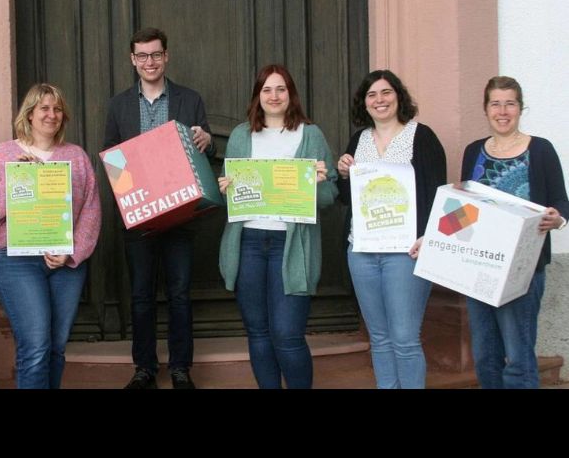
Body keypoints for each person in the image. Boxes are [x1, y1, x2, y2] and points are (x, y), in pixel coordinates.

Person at [103, 27, 215, 390]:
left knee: (180, 294)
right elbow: (111, 157)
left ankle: (181, 368)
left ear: (166, 56)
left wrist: (207, 140)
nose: (149, 62)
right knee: (140, 295)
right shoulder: (118, 105)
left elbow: (204, 146)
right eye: (141, 56)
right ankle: (144, 368)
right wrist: (127, 192)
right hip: (139, 217)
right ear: (132, 60)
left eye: (155, 54)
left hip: (180, 212)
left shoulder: (189, 98)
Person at [0, 83, 101, 389]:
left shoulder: (76, 156)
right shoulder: (5, 153)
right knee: (36, 346)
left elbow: (91, 211)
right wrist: (17, 180)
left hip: (64, 262)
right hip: (17, 261)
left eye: (57, 109)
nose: (51, 115)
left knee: (55, 347)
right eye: (44, 108)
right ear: (29, 114)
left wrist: (71, 253)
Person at [218, 64, 338, 389]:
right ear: (258, 95)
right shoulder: (242, 135)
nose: (274, 96)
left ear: (291, 94)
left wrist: (320, 184)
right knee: (257, 332)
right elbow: (233, 200)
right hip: (249, 243)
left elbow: (329, 197)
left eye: (280, 89)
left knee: (287, 334)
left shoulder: (310, 135)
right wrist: (227, 188)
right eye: (267, 90)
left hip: (291, 245)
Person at [336, 69, 446, 389]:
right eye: (372, 95)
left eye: (386, 93)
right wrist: (343, 174)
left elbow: (438, 192)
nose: (379, 100)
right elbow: (348, 199)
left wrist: (429, 237)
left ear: (398, 97)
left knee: (405, 339)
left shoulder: (421, 136)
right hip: (363, 251)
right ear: (364, 103)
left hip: (406, 252)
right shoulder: (359, 140)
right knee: (380, 338)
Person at [461, 76, 568, 389]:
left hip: (523, 268)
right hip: (478, 266)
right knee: (485, 355)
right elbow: (464, 208)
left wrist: (558, 218)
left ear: (520, 109)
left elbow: (561, 201)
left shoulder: (541, 150)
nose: (502, 110)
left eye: (510, 103)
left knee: (519, 356)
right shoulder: (473, 152)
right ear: (486, 109)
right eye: (496, 103)